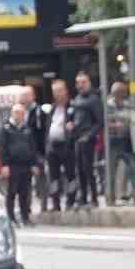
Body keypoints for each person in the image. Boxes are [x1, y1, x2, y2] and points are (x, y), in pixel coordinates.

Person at [0, 101, 39, 226]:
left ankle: (25, 217)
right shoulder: (5, 129)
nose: (19, 115)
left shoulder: (27, 129)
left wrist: (34, 164)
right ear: (12, 113)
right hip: (12, 165)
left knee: (24, 193)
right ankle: (11, 218)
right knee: (11, 192)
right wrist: (4, 165)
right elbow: (2, 147)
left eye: (21, 113)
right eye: (16, 113)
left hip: (26, 165)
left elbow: (32, 147)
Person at [70, 71, 104, 208]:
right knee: (80, 170)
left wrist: (89, 135)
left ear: (89, 83)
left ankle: (94, 198)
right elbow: (75, 118)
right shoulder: (77, 99)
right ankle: (83, 197)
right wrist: (71, 125)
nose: (81, 85)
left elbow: (100, 122)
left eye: (83, 82)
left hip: (87, 138)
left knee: (88, 169)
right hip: (77, 137)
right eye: (78, 83)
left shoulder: (94, 99)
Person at [45, 78, 76, 211]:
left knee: (70, 175)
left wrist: (73, 127)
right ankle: (56, 202)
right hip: (53, 147)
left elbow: (79, 123)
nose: (58, 94)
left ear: (65, 91)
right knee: (54, 177)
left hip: (67, 147)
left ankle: (71, 200)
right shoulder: (52, 108)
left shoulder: (73, 106)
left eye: (60, 90)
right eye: (55, 91)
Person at [106, 82, 135, 204]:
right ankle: (111, 197)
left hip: (125, 141)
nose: (122, 96)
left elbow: (133, 118)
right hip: (113, 140)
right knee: (111, 170)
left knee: (132, 168)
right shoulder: (108, 106)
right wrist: (115, 125)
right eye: (120, 93)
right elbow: (104, 122)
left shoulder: (127, 105)